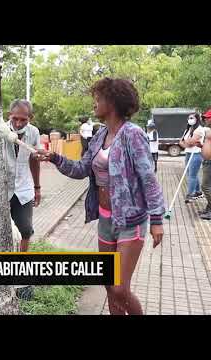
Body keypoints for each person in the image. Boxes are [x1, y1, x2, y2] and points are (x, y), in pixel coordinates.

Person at [38, 78, 165, 315]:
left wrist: (157, 220)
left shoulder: (132, 134)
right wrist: (54, 158)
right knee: (108, 284)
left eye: (98, 99)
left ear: (113, 101)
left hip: (130, 221)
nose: (94, 104)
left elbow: (149, 179)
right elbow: (81, 169)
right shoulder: (99, 135)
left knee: (119, 288)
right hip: (105, 221)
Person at [3, 99, 42, 253]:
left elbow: (34, 160)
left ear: (30, 117)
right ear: (9, 115)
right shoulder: (1, 130)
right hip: (2, 188)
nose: (19, 123)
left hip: (23, 189)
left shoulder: (34, 132)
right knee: (1, 230)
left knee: (25, 230)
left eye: (23, 120)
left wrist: (37, 187)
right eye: (15, 118)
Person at [189, 109, 211, 219]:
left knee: (205, 186)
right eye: (205, 117)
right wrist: (202, 146)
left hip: (210, 162)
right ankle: (209, 208)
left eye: (208, 117)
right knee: (208, 186)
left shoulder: (208, 130)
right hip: (207, 161)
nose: (205, 119)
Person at [179, 113, 205, 204]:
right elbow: (181, 142)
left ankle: (190, 195)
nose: (189, 119)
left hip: (196, 153)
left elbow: (190, 142)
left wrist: (187, 143)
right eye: (188, 118)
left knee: (192, 175)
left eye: (191, 118)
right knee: (190, 173)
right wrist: (187, 143)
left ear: (197, 119)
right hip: (188, 153)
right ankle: (198, 192)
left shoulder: (199, 129)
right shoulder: (188, 129)